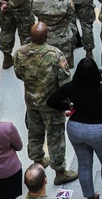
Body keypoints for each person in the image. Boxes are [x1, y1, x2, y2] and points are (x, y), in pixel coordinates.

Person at [47, 56, 102, 199]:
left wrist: (67, 106)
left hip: (75, 129)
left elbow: (51, 100)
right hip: (98, 130)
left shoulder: (71, 87)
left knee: (84, 165)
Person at [12, 21, 76, 186]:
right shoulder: (55, 54)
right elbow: (65, 82)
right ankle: (60, 172)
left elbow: (19, 74)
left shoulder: (20, 53)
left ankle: (38, 161)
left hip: (32, 102)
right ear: (47, 36)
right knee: (55, 137)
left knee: (35, 133)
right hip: (51, 104)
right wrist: (67, 103)